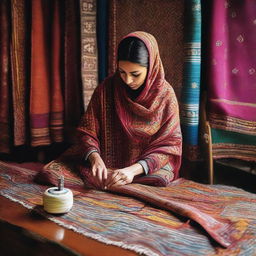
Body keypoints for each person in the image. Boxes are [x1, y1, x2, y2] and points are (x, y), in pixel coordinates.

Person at [42, 31, 182, 190]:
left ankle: (121, 183)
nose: (128, 80)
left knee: (159, 180)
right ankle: (114, 182)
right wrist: (95, 158)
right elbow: (87, 131)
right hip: (106, 164)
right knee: (51, 174)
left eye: (135, 74)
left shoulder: (165, 96)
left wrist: (132, 171)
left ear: (151, 68)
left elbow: (170, 146)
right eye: (122, 72)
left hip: (145, 169)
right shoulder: (107, 89)